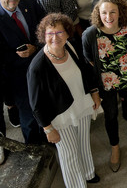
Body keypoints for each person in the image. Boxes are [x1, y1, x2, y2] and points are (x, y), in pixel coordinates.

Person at [27, 13, 101, 187]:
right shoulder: (37, 67)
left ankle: (88, 173)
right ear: (43, 36)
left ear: (67, 33)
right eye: (50, 34)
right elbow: (35, 104)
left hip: (81, 105)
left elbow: (85, 70)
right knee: (69, 154)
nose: (55, 38)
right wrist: (48, 129)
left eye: (59, 33)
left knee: (83, 143)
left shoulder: (71, 47)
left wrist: (94, 92)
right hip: (60, 117)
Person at [83, 0, 127, 172]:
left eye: (113, 11)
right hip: (107, 85)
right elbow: (88, 60)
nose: (108, 16)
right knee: (111, 116)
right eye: (104, 12)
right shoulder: (91, 34)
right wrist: (94, 90)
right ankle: (115, 148)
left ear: (120, 12)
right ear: (98, 14)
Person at [0, 0, 45, 145]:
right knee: (28, 117)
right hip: (17, 76)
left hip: (42, 66)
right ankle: (34, 148)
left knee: (45, 108)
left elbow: (46, 30)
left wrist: (35, 47)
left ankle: (50, 143)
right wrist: (19, 55)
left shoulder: (31, 4)